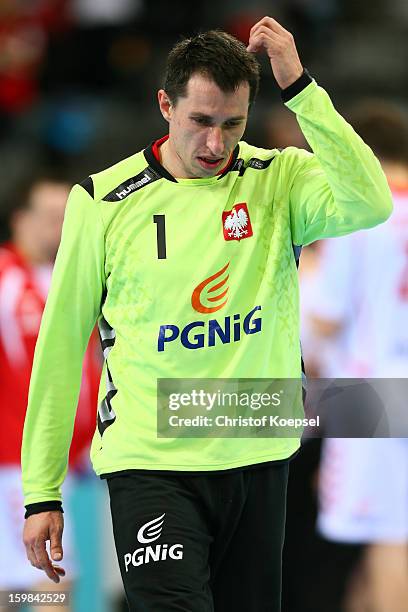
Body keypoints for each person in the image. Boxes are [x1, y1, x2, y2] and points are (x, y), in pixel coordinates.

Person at [21, 16, 392, 612]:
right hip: (151, 461)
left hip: (257, 452)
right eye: (200, 121)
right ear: (165, 104)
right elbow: (61, 345)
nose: (216, 145)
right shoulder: (103, 201)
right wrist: (42, 491)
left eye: (232, 124)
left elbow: (370, 201)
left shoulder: (278, 179)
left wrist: (300, 88)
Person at [311, 101, 408, 612]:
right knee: (385, 543)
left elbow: (325, 317)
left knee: (389, 537)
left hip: (370, 394)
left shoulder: (360, 212)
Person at [0, 176, 100, 611]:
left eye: (69, 217)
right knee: (50, 585)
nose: (61, 228)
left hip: (60, 462)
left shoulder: (77, 278)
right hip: (16, 462)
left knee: (20, 584)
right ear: (20, 220)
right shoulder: (5, 279)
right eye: (51, 217)